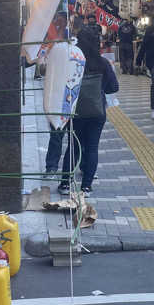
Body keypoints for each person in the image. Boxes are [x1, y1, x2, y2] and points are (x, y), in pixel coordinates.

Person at [59, 27, 118, 195]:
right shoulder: (103, 63)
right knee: (92, 147)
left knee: (74, 146)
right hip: (97, 112)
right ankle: (86, 186)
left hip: (75, 111)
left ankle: (65, 183)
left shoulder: (73, 62)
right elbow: (113, 87)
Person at [42, 11, 70, 179]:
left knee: (74, 135)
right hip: (56, 97)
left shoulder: (72, 40)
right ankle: (51, 167)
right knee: (56, 134)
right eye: (56, 21)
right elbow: (42, 66)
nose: (58, 24)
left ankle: (76, 168)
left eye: (61, 21)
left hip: (71, 95)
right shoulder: (50, 41)